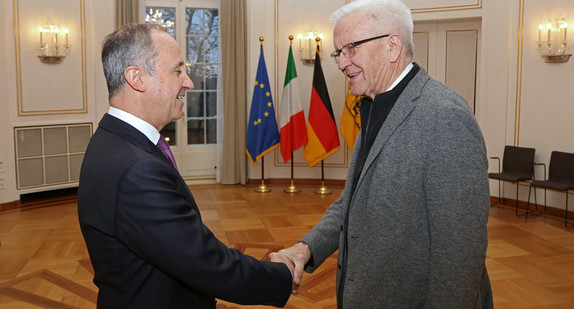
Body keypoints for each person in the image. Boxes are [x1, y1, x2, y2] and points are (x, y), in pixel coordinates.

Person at [270, 0, 493, 307]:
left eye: (350, 48)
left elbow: (459, 256)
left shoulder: (444, 116)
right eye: (339, 52)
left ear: (392, 47)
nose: (341, 63)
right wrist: (306, 248)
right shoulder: (376, 105)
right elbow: (355, 200)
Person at [78, 23, 294, 308]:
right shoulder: (137, 169)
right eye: (177, 71)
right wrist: (283, 275)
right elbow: (204, 262)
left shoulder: (111, 138)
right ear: (137, 78)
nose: (189, 82)